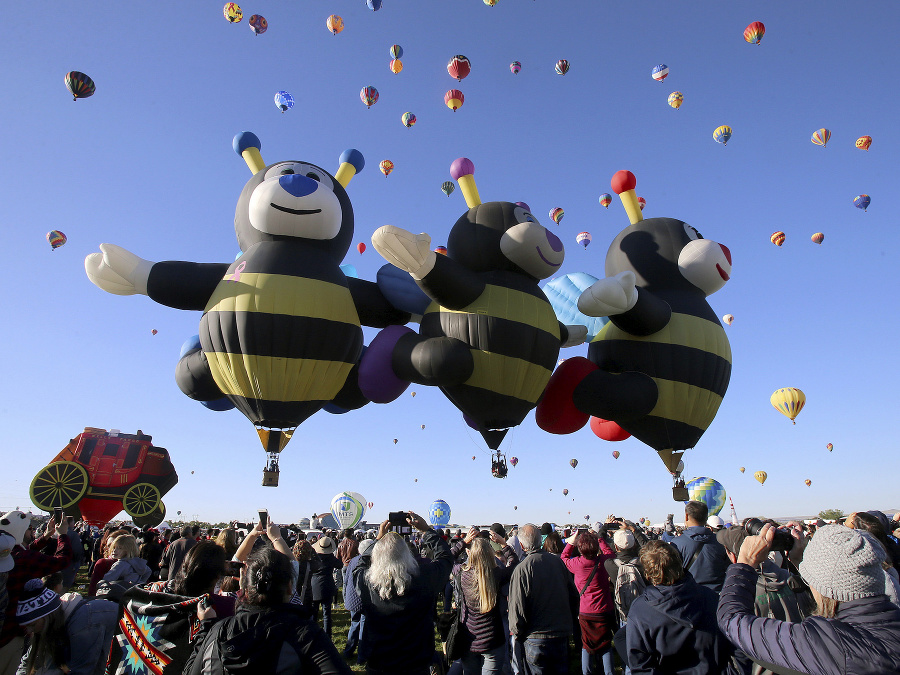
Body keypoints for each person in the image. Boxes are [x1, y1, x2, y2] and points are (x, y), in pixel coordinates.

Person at [718, 523, 900, 674]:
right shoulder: (891, 618)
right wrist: (800, 561)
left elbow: (732, 620)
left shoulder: (833, 644)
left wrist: (744, 563)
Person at [184, 547, 352, 674]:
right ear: (289, 587)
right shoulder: (305, 634)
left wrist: (205, 627)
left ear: (245, 588)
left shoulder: (219, 630)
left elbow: (190, 671)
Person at [353, 511, 453, 675]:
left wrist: (379, 539)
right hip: (416, 662)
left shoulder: (368, 582)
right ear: (408, 554)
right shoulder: (424, 577)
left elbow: (359, 566)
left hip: (379, 662)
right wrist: (426, 531)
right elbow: (445, 558)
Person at [624, 540, 730, 674]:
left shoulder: (640, 611)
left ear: (647, 574)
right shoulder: (710, 597)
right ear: (680, 562)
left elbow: (640, 666)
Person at [0, 511, 72, 675]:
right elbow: (62, 560)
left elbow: (24, 551)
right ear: (19, 532)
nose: (32, 532)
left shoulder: (9, 554)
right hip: (9, 634)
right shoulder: (24, 558)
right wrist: (62, 536)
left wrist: (46, 536)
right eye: (28, 529)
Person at [508, 523, 579, 675]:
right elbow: (574, 596)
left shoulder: (522, 569)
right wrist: (569, 622)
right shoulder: (557, 562)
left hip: (535, 636)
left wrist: (517, 633)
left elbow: (517, 607)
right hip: (559, 633)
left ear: (521, 545)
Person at [450, 527, 518, 674]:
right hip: (492, 638)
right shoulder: (496, 574)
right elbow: (514, 563)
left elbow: (447, 559)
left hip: (469, 638)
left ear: (471, 554)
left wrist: (464, 542)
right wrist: (503, 544)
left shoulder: (462, 573)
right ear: (490, 555)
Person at [15, 578, 118, 675]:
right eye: (26, 627)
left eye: (32, 625)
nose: (29, 631)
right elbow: (28, 661)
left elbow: (84, 671)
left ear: (48, 617)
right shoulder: (50, 624)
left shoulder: (83, 624)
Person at [561, 529, 615, 675]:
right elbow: (611, 553)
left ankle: (587, 672)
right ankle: (609, 672)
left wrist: (571, 542)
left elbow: (564, 557)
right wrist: (599, 539)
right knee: (605, 644)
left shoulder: (577, 563)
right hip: (604, 608)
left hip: (586, 611)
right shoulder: (604, 562)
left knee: (586, 644)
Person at [662, 501, 730, 592]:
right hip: (718, 595)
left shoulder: (677, 543)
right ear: (706, 517)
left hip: (690, 595)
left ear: (686, 516)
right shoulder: (720, 541)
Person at [342, 538, 375, 662]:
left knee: (354, 623)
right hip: (364, 598)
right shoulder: (371, 562)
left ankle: (348, 651)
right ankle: (362, 655)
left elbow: (346, 580)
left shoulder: (353, 560)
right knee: (363, 626)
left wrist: (345, 595)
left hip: (352, 596)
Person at [310, 536, 342, 637]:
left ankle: (313, 633)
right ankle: (327, 635)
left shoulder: (314, 557)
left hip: (314, 584)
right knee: (326, 613)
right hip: (327, 584)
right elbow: (340, 565)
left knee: (314, 612)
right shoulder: (331, 558)